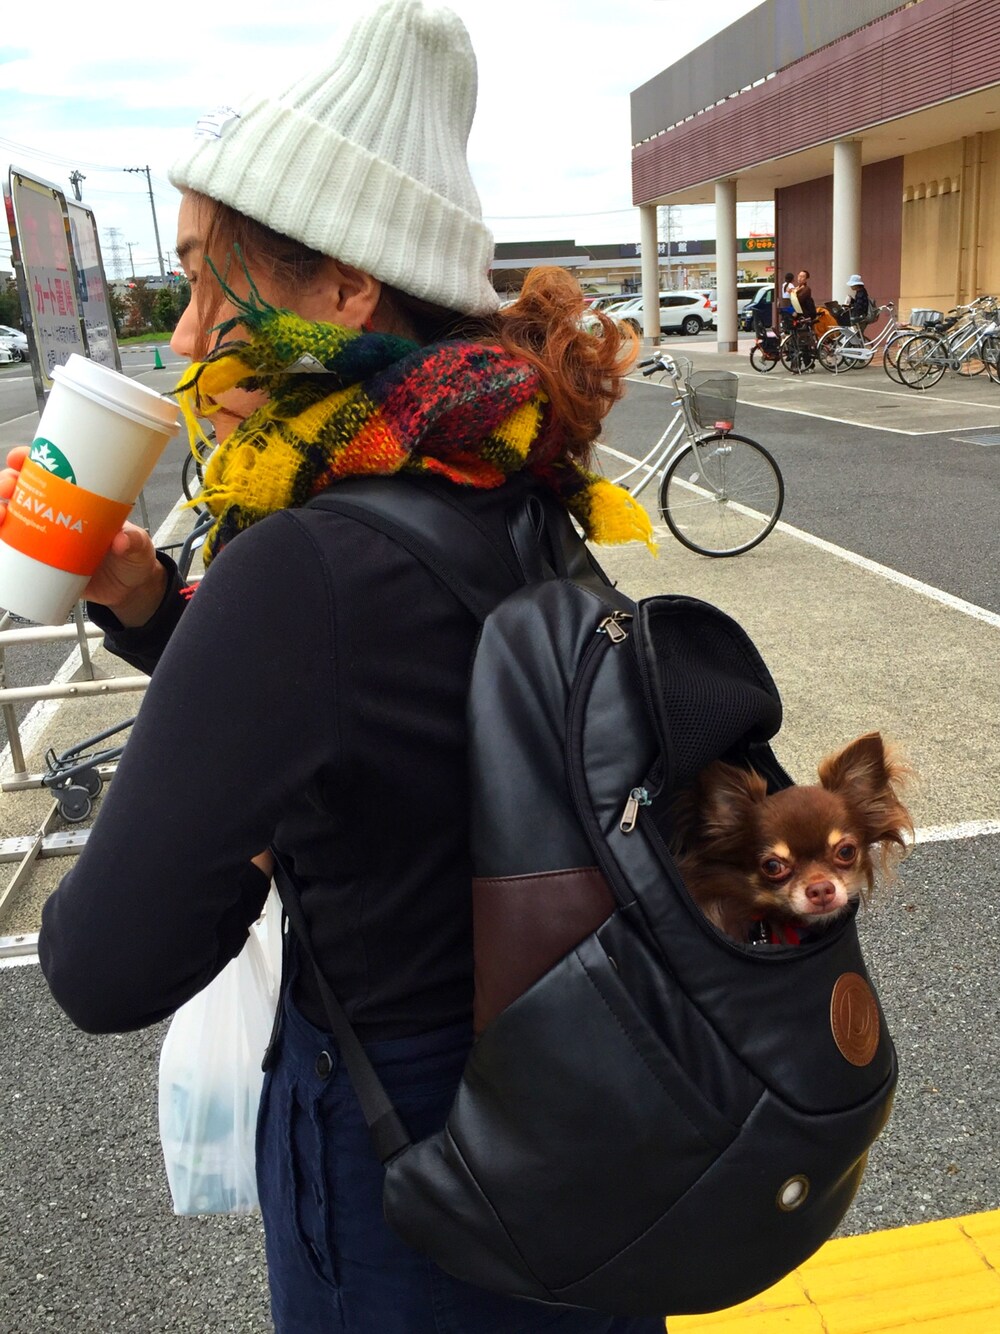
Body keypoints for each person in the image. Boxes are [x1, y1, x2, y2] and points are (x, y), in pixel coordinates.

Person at [3, 4, 665, 1332]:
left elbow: (103, 963)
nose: (187, 340)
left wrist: (247, 831)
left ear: (348, 289)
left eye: (210, 285)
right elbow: (403, 700)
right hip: (585, 1122)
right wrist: (153, 606)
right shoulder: (505, 469)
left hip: (408, 1178)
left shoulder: (303, 563)